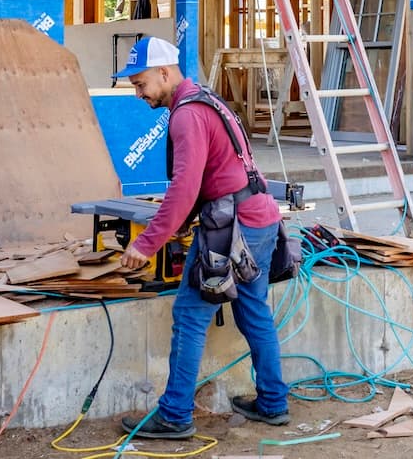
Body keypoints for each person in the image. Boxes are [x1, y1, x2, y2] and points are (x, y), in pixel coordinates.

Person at [115, 36, 290, 438]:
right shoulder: (207, 100)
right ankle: (273, 403)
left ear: (164, 72)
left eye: (141, 84)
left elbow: (184, 188)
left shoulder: (186, 116)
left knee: (191, 317)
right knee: (253, 311)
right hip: (261, 218)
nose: (139, 94)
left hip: (233, 230)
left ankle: (175, 415)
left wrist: (147, 243)